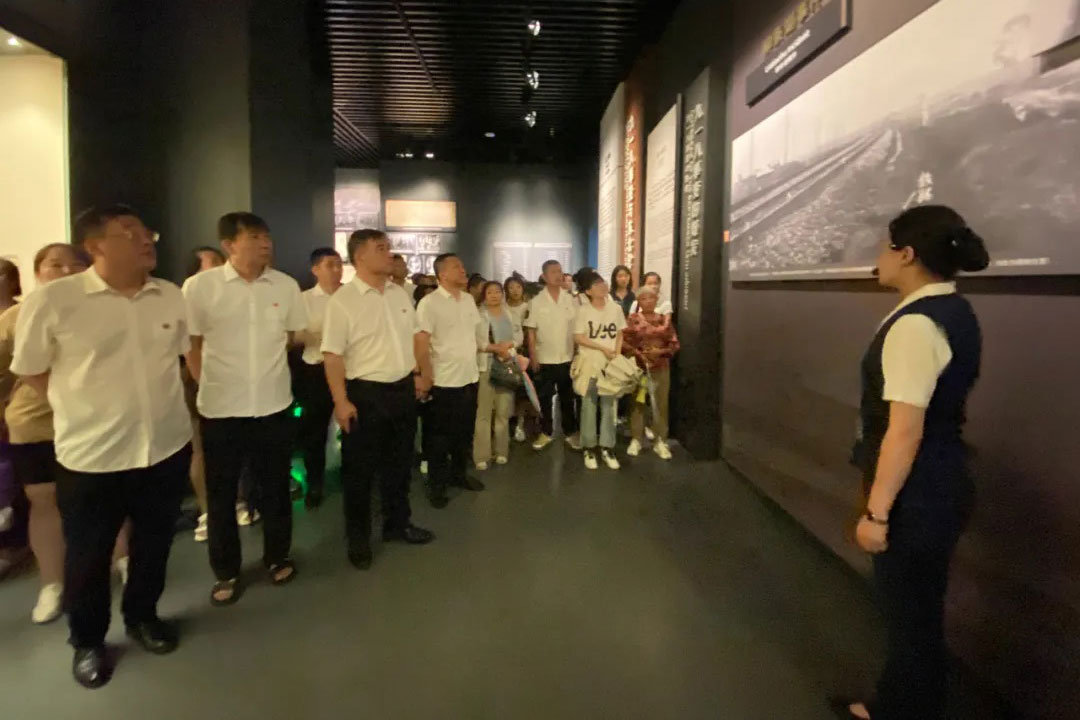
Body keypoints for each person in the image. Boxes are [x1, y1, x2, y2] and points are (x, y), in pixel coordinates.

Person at [11, 205, 193, 688]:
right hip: (93, 455)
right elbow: (31, 369)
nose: (145, 239)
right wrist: (82, 406)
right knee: (89, 557)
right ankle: (88, 641)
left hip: (165, 448)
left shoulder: (169, 295)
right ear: (95, 246)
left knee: (153, 545)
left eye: (147, 231)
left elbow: (178, 360)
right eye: (129, 233)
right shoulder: (56, 301)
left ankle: (143, 616)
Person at [836, 205, 989, 720]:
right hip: (939, 483)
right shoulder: (952, 310)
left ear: (906, 254)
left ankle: (901, 710)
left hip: (917, 493)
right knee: (918, 612)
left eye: (885, 248)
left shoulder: (916, 324)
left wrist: (877, 513)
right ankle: (904, 703)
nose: (877, 258)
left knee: (909, 615)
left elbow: (904, 430)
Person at [183, 212, 306, 607]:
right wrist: (207, 384)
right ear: (229, 245)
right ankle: (226, 571)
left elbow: (289, 336)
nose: (265, 243)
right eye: (254, 237)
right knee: (221, 497)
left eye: (266, 236)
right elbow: (191, 345)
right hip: (222, 408)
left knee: (276, 489)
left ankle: (277, 556)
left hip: (273, 403)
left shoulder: (285, 286)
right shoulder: (200, 287)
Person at [321, 229, 434, 570]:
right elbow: (332, 355)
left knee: (399, 465)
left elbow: (415, 337)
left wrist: (420, 372)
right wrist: (341, 401)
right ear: (360, 257)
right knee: (359, 473)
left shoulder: (399, 294)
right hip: (365, 393)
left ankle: (397, 523)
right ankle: (358, 540)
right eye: (381, 248)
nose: (389, 253)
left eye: (388, 247)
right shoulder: (343, 301)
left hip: (402, 389)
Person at [0, 244, 86, 623]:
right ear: (38, 272)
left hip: (92, 422)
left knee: (103, 499)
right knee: (44, 500)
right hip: (36, 425)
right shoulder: (16, 317)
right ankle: (53, 583)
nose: (66, 271)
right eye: (55, 265)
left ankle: (123, 562)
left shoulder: (103, 309)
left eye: (75, 264)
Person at [416, 253, 486, 507]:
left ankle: (459, 474)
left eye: (462, 265)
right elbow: (421, 342)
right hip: (443, 381)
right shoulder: (429, 303)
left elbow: (473, 338)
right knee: (438, 439)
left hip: (469, 377)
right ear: (442, 274)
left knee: (463, 434)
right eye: (457, 266)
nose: (463, 270)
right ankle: (437, 485)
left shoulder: (467, 300)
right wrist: (424, 375)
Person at [182, 247, 225, 543]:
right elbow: (190, 346)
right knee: (201, 449)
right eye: (209, 265)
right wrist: (202, 382)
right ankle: (208, 511)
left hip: (233, 383)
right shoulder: (187, 297)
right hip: (199, 382)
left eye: (219, 264)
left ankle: (238, 502)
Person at [296, 248, 343, 510]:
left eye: (338, 264)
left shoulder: (350, 296)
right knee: (314, 431)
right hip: (316, 369)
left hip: (350, 368)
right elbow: (293, 334)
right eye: (330, 265)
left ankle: (353, 475)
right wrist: (315, 334)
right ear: (315, 270)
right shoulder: (304, 300)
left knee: (354, 426)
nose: (336, 270)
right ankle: (315, 482)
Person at [572, 272, 626, 470]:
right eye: (597, 284)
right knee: (589, 404)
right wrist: (602, 348)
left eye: (603, 282)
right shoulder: (583, 311)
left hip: (610, 365)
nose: (602, 286)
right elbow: (579, 337)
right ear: (588, 291)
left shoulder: (616, 309)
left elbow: (620, 333)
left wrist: (616, 354)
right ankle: (589, 447)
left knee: (609, 406)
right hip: (590, 363)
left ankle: (607, 446)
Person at [525, 260, 580, 451]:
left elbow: (578, 329)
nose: (558, 275)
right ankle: (545, 432)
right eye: (554, 272)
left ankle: (570, 432)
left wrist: (577, 353)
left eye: (560, 271)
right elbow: (531, 331)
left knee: (568, 398)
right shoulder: (536, 302)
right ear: (544, 276)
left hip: (567, 357)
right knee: (545, 399)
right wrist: (533, 356)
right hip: (544, 358)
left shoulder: (571, 300)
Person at [622, 285, 680, 460]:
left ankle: (660, 440)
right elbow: (623, 342)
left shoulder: (664, 320)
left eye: (651, 297)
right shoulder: (632, 319)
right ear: (638, 301)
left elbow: (674, 344)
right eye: (643, 298)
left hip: (661, 366)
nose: (647, 301)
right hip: (639, 367)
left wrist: (659, 352)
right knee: (637, 403)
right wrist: (639, 353)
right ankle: (636, 439)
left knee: (661, 404)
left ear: (657, 300)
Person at [473, 281, 516, 469]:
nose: (494, 295)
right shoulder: (478, 315)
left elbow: (518, 336)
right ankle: (481, 455)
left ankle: (501, 450)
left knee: (503, 411)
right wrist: (493, 348)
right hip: (487, 365)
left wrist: (509, 347)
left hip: (506, 364)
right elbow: (475, 340)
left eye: (498, 292)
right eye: (490, 292)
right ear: (484, 296)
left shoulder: (509, 313)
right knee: (483, 412)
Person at [504, 276, 530, 443]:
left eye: (518, 287)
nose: (515, 291)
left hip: (522, 353)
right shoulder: (502, 308)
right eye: (511, 287)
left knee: (522, 391)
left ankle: (520, 424)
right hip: (504, 354)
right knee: (507, 390)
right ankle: (507, 423)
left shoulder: (528, 308)